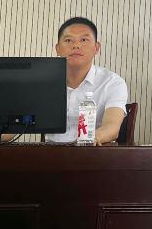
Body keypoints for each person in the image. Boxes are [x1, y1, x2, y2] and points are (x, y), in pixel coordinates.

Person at [46, 16, 128, 144]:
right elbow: (18, 124)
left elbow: (112, 127)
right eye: (68, 40)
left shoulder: (112, 83)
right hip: (49, 152)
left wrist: (89, 140)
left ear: (96, 47)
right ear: (57, 48)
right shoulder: (43, 81)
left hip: (92, 151)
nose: (76, 45)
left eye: (84, 40)